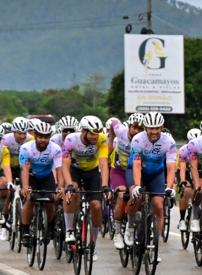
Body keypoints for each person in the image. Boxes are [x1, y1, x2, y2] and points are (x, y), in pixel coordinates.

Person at [126, 112, 177, 253]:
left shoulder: (169, 142)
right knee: (135, 197)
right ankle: (130, 227)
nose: (154, 131)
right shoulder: (137, 140)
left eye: (157, 128)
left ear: (162, 127)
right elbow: (136, 164)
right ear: (146, 128)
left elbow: (171, 167)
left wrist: (170, 187)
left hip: (156, 173)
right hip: (136, 171)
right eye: (150, 128)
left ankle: (155, 245)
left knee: (159, 206)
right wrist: (137, 186)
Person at [61, 116, 110, 261]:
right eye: (92, 133)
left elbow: (103, 164)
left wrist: (105, 185)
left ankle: (93, 244)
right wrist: (68, 184)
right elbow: (64, 165)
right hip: (74, 170)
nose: (95, 137)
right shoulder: (71, 140)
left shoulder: (101, 140)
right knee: (73, 190)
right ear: (83, 132)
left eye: (97, 133)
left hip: (92, 172)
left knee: (96, 205)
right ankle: (70, 230)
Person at [19, 121, 63, 247]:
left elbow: (59, 169)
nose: (43, 140)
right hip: (31, 176)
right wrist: (26, 186)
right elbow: (25, 169)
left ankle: (49, 226)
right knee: (29, 199)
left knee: (51, 200)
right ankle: (25, 231)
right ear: (34, 135)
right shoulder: (26, 148)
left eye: (46, 137)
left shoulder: (55, 149)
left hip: (46, 176)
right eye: (40, 137)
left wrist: (60, 186)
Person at [107, 113, 144, 249]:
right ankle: (117, 232)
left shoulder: (143, 139)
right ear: (128, 126)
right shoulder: (120, 130)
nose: (137, 131)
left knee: (137, 196)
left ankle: (131, 225)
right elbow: (113, 122)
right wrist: (110, 143)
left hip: (135, 170)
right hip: (118, 170)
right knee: (122, 196)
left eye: (140, 129)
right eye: (134, 127)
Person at [177, 128, 201, 234]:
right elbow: (182, 169)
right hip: (185, 171)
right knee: (186, 190)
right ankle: (182, 219)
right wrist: (182, 181)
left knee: (199, 188)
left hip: (198, 171)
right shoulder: (183, 150)